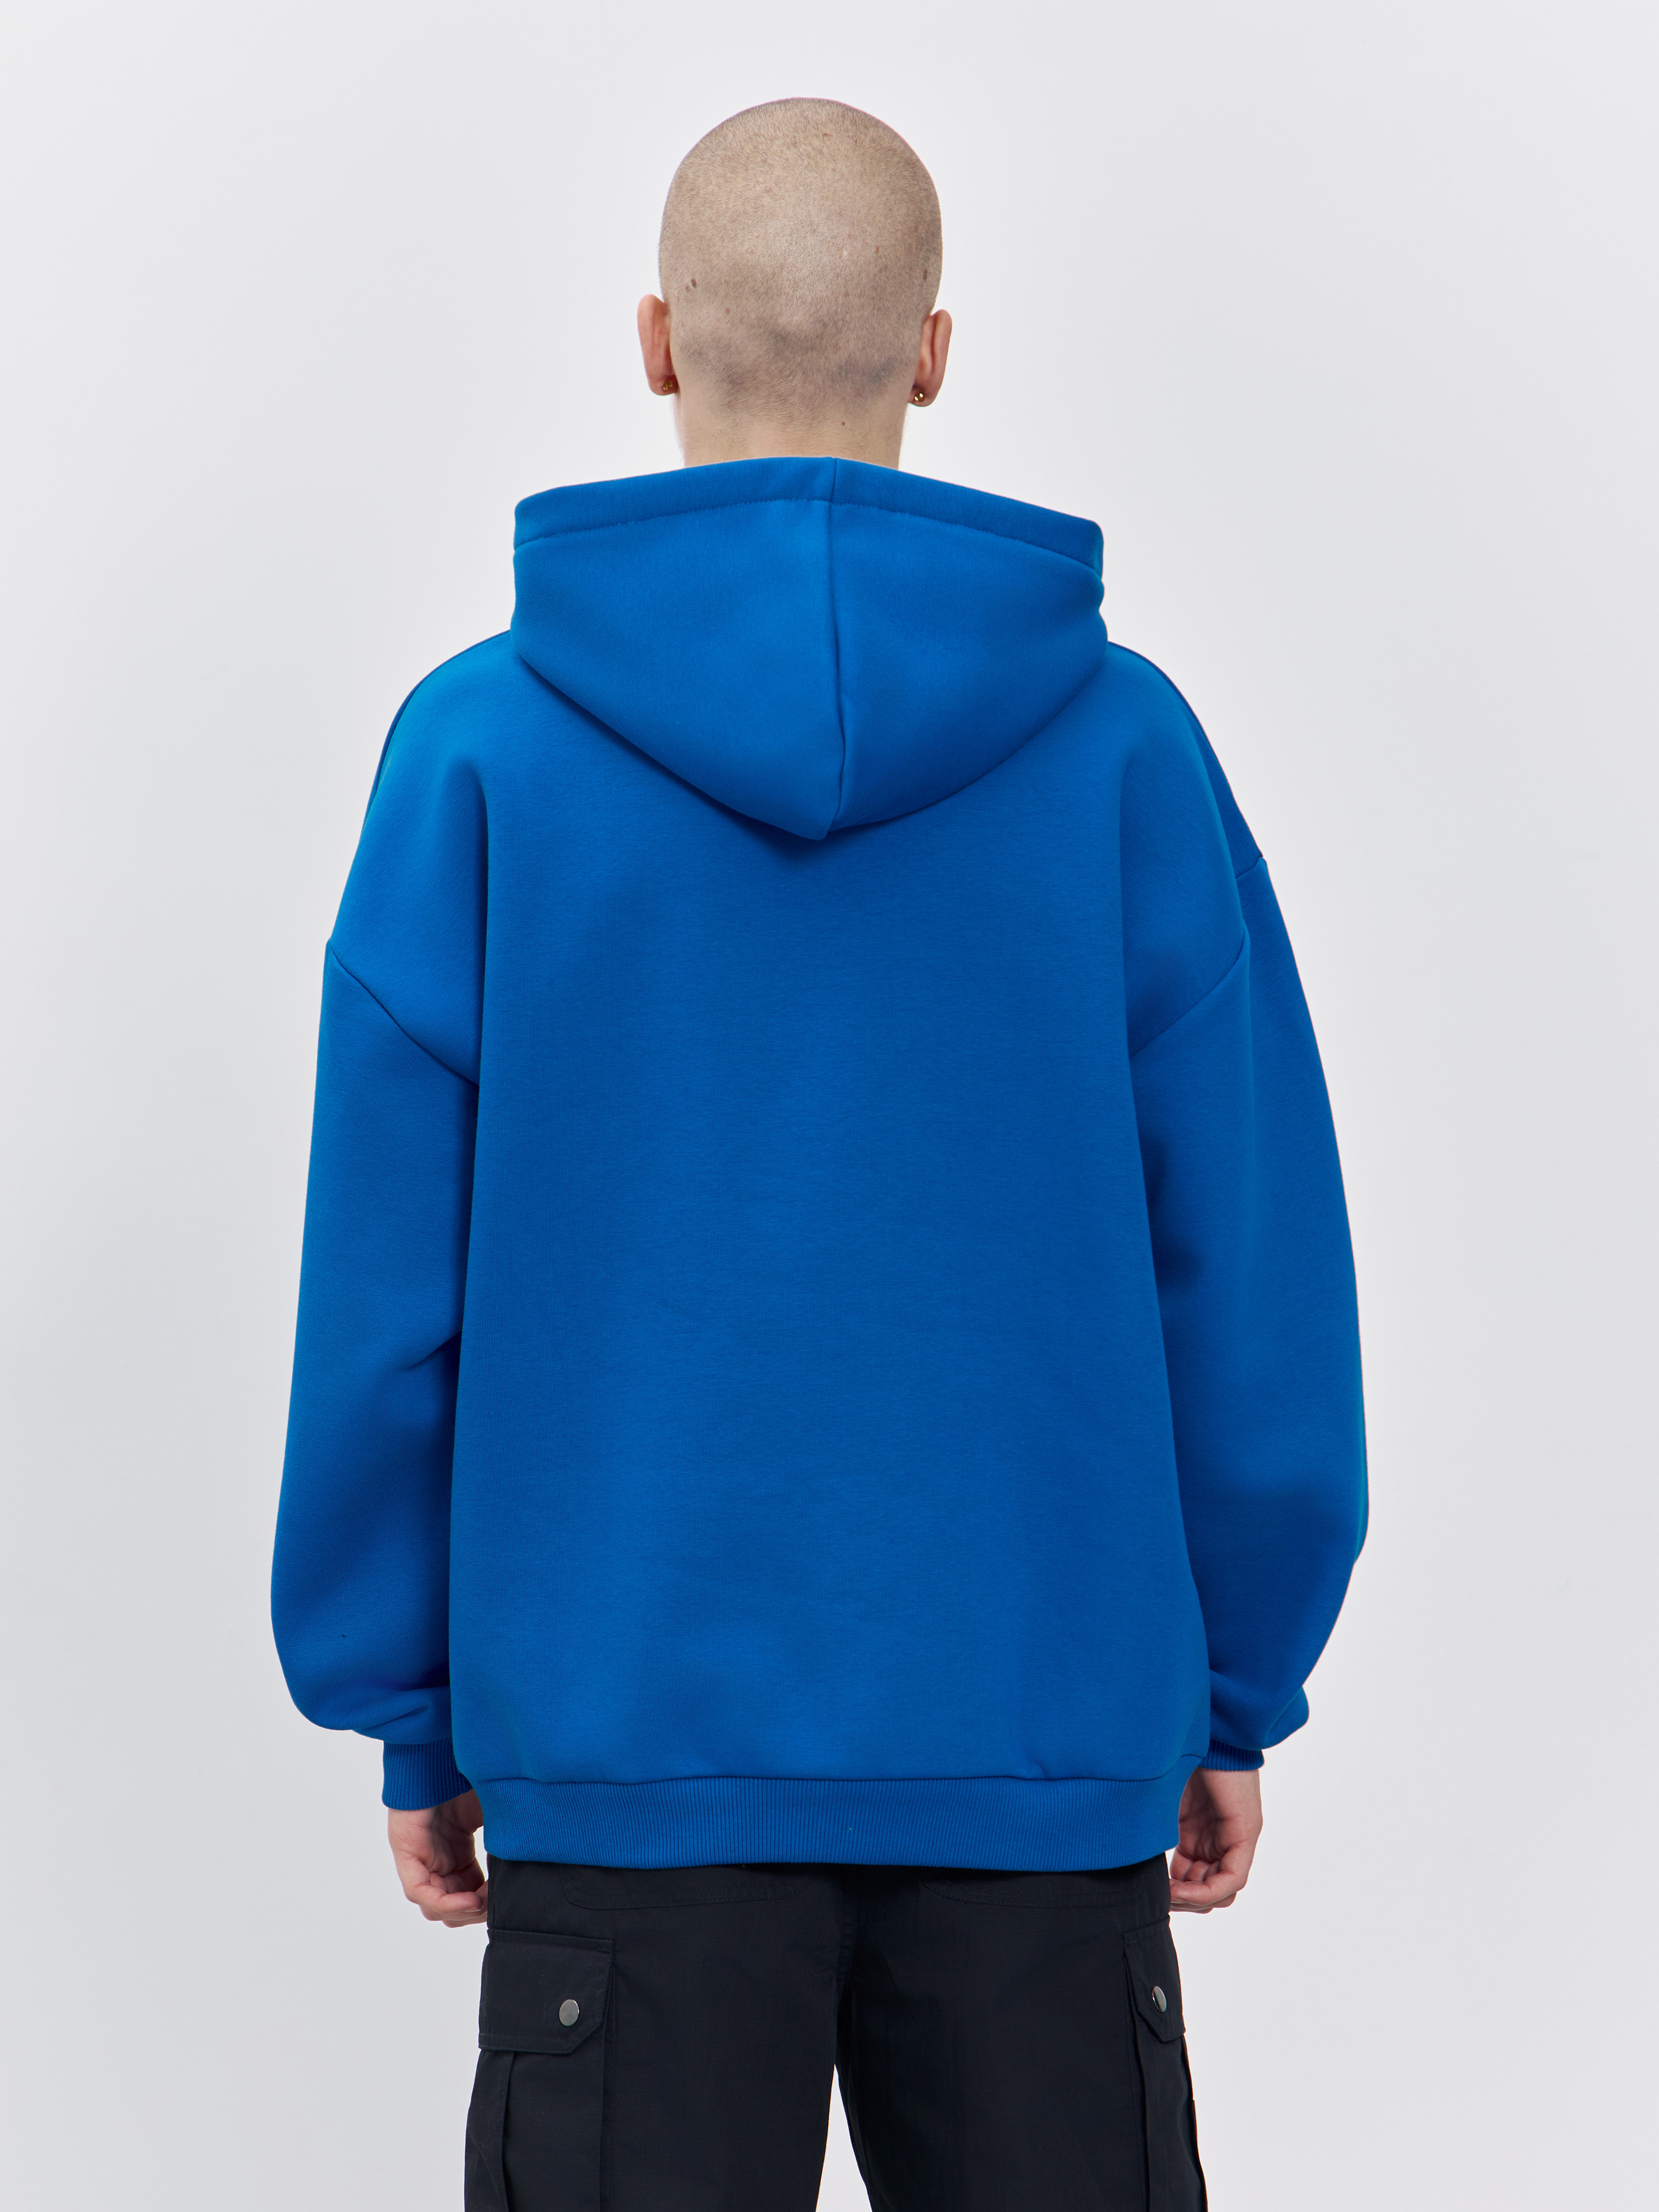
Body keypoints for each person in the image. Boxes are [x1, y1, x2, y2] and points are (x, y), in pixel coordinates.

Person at [273, 97, 1365, 2212]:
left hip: (618, 1753)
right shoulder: (1126, 751)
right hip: (1045, 1751)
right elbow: (1245, 1258)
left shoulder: (478, 753)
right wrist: (1235, 1684)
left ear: (656, 342)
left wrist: (415, 1708)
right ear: (933, 355)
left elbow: (387, 1294)